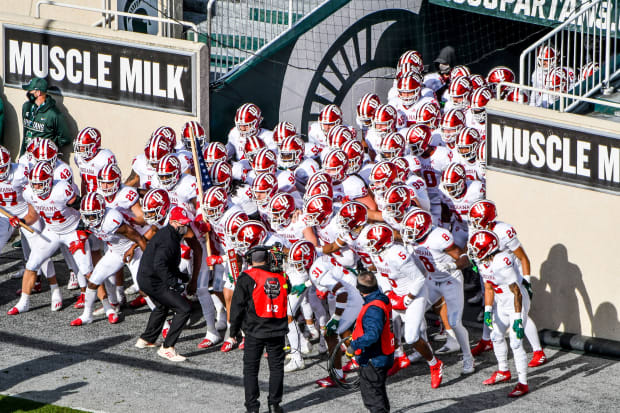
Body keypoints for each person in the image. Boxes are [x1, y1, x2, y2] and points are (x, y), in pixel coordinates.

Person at [229, 246, 288, 413]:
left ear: (249, 260)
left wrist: (233, 332)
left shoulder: (246, 277)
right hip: (277, 329)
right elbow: (288, 290)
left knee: (250, 369)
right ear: (268, 259)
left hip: (254, 330)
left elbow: (237, 307)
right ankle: (274, 405)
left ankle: (252, 407)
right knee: (276, 368)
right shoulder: (281, 276)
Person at [135, 206, 193, 362]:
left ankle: (146, 339)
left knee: (161, 306)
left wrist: (181, 276)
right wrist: (174, 283)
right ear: (173, 222)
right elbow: (160, 265)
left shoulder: (168, 234)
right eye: (182, 224)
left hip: (147, 278)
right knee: (184, 308)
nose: (185, 227)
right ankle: (167, 348)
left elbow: (167, 264)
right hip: (153, 280)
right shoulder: (169, 240)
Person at [346, 271, 394, 413]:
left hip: (374, 358)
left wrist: (354, 345)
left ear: (360, 290)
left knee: (373, 398)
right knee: (379, 393)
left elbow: (372, 335)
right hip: (383, 354)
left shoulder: (373, 308)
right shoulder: (381, 299)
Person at [21, 78, 70, 155]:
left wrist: (49, 147)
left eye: (30, 91)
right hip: (27, 155)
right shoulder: (26, 107)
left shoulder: (54, 114)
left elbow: (65, 138)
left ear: (38, 92)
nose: (28, 93)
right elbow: (25, 134)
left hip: (43, 156)